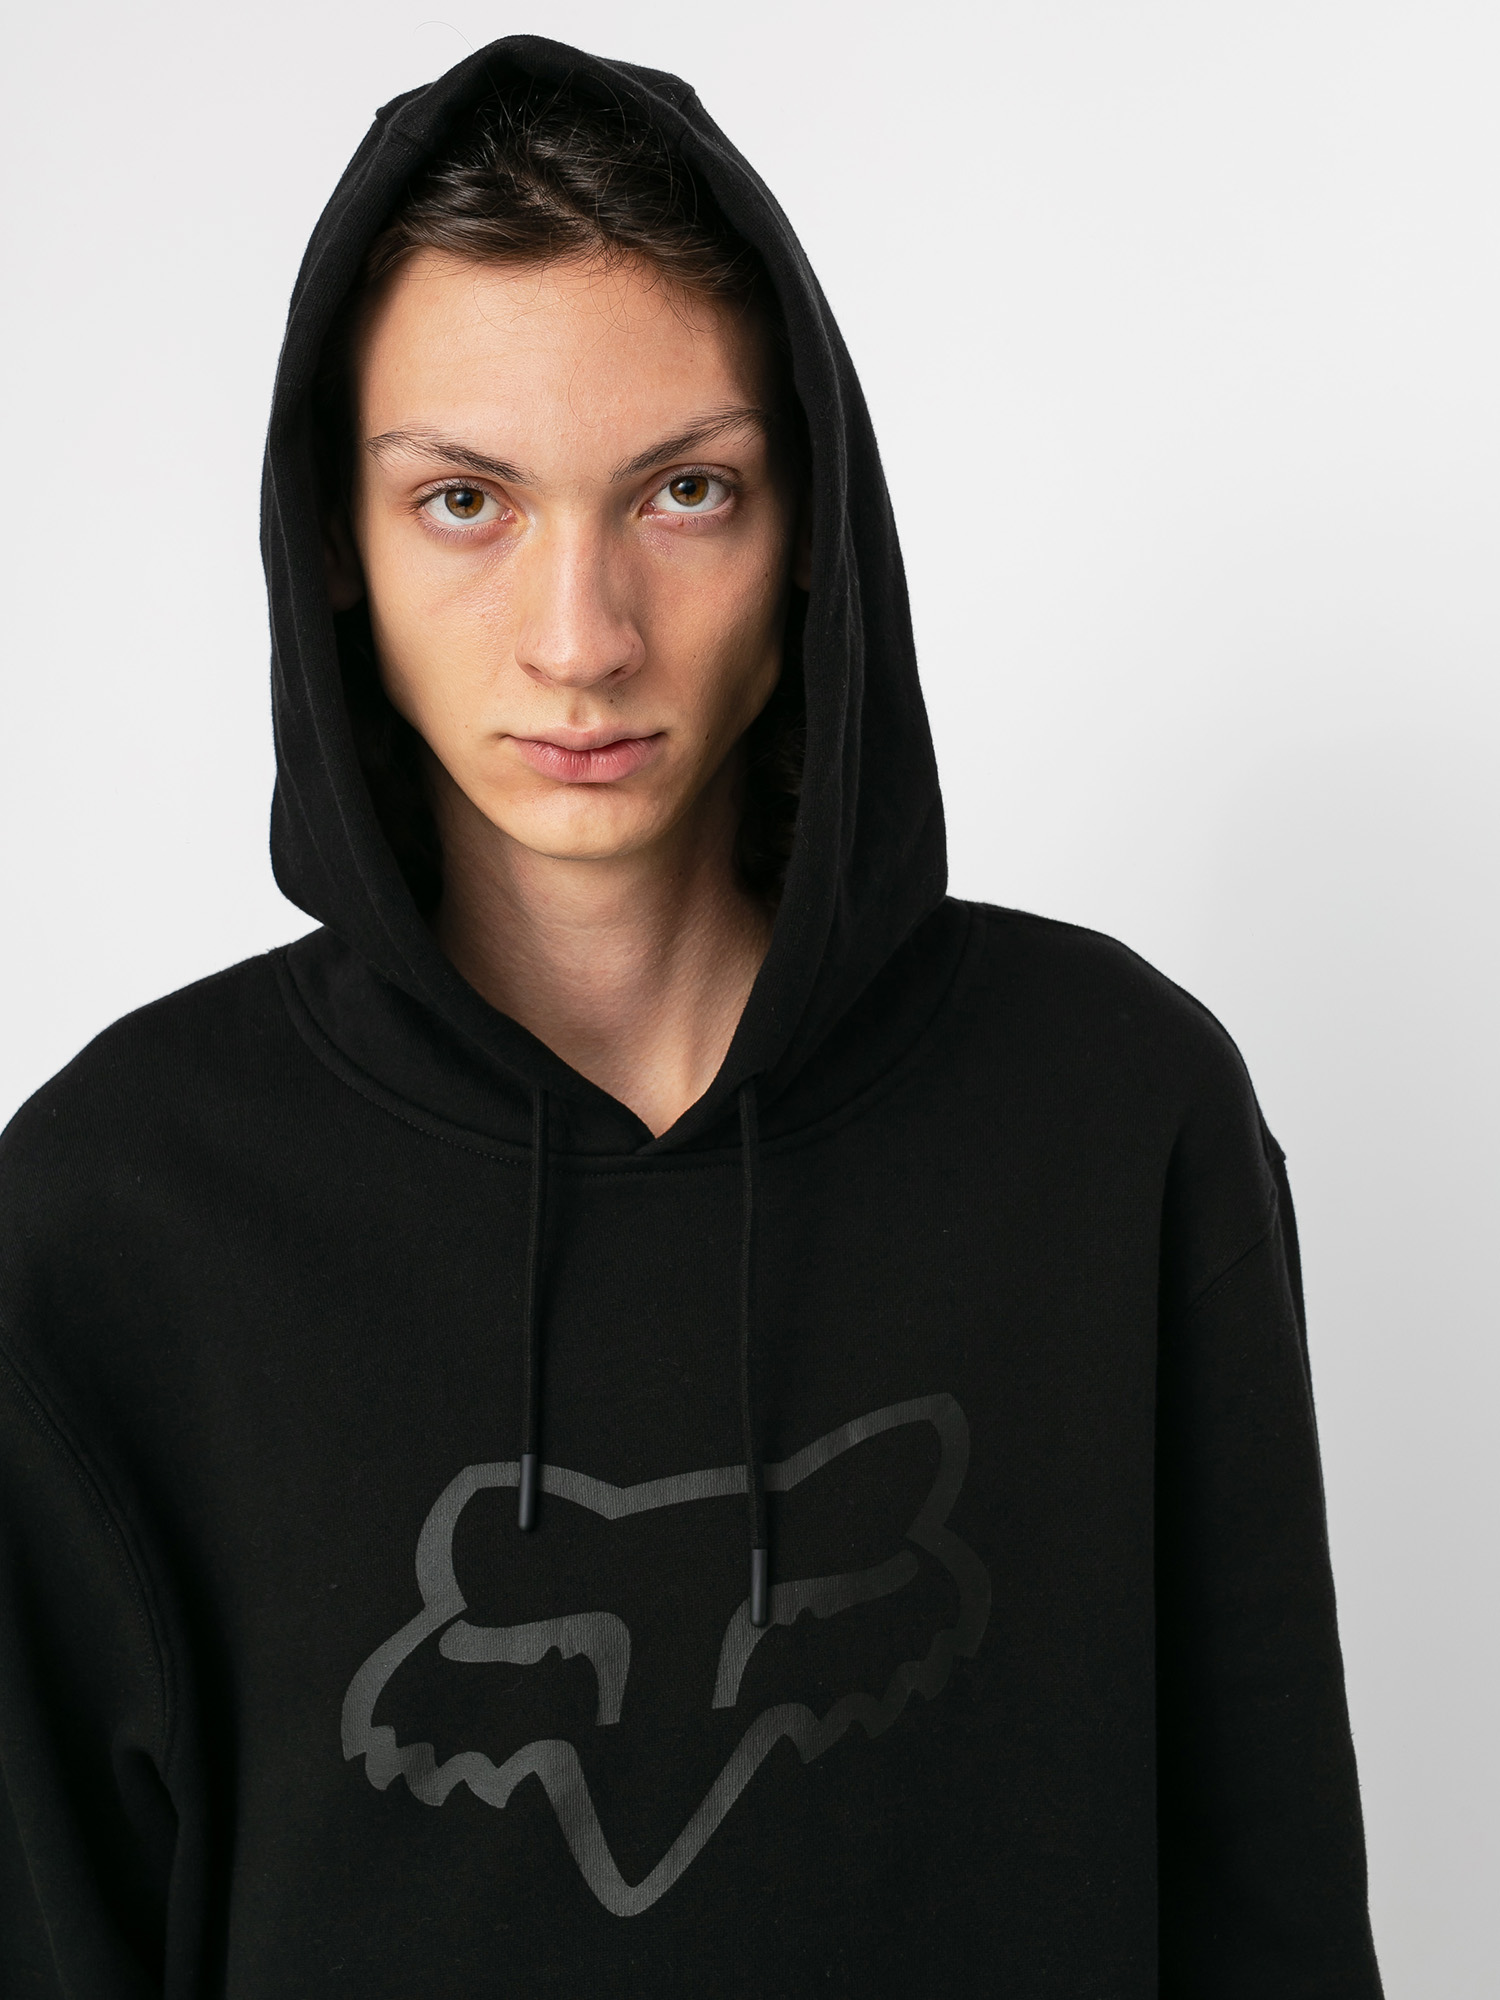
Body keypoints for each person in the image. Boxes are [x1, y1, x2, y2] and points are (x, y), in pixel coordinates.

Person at [0, 35, 1384, 1998]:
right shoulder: (114, 1219)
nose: (582, 638)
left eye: (686, 490)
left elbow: (1276, 1926)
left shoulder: (1117, 1120)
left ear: (810, 520)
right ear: (333, 540)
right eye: (465, 499)